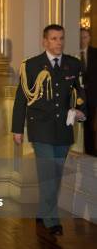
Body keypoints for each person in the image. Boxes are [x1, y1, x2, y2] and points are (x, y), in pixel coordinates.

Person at [12, 24, 86, 236]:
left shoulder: (73, 64)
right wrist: (17, 129)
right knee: (48, 173)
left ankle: (43, 210)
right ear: (45, 41)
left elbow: (81, 93)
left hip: (64, 127)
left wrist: (81, 111)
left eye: (61, 38)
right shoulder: (32, 65)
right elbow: (21, 99)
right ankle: (52, 220)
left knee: (56, 173)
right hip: (41, 127)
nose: (58, 43)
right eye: (53, 39)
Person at [80, 28, 96, 156]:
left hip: (92, 96)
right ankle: (78, 150)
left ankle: (90, 151)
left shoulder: (95, 53)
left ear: (89, 38)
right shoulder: (72, 55)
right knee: (78, 125)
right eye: (80, 37)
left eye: (85, 37)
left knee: (90, 125)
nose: (82, 40)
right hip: (78, 97)